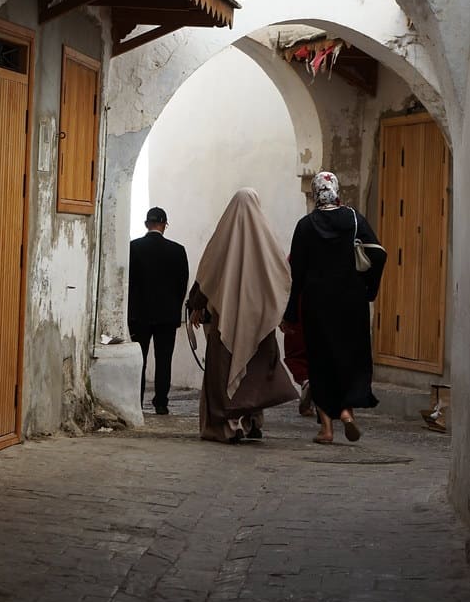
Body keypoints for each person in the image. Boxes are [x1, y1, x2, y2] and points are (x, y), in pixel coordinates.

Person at [281, 171, 387, 445]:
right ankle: (346, 412)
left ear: (316, 193)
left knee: (321, 362)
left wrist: (291, 313)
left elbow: (298, 274)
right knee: (347, 358)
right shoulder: (353, 219)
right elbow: (378, 252)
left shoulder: (305, 226)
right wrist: (368, 288)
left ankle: (326, 429)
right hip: (350, 301)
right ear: (336, 191)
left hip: (317, 302)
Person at [188, 189, 297, 443]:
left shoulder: (221, 239)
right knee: (254, 375)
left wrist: (196, 304)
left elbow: (206, 275)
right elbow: (282, 277)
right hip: (258, 324)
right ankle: (251, 422)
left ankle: (227, 426)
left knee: (223, 373)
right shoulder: (267, 240)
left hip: (226, 321)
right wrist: (278, 312)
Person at [128, 206, 189, 415]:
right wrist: (175, 308)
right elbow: (182, 284)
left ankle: (136, 400)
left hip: (139, 315)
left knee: (140, 359)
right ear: (164, 225)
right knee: (164, 360)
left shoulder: (133, 248)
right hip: (167, 315)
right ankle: (161, 402)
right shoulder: (178, 250)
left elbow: (129, 282)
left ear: (146, 224)